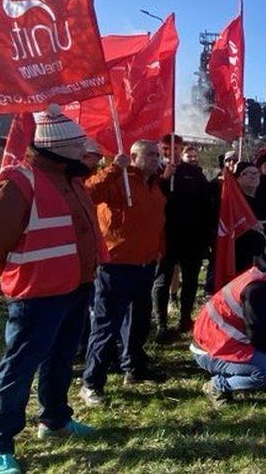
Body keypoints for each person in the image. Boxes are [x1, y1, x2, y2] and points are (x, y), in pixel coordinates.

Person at [0, 106, 103, 474]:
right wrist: (21, 273)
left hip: (76, 288)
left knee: (60, 359)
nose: (84, 148)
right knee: (18, 368)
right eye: (77, 143)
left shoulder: (72, 179)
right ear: (58, 146)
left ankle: (55, 419)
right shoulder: (21, 180)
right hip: (36, 295)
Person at [80, 139, 169, 407]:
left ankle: (134, 367)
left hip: (145, 263)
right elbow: (88, 194)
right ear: (132, 156)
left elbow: (155, 222)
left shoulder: (154, 185)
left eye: (157, 155)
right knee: (107, 324)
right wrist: (113, 170)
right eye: (150, 154)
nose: (156, 159)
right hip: (115, 264)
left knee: (139, 321)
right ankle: (92, 382)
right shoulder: (118, 180)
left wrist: (158, 249)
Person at [192, 236, 266, 406]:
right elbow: (258, 331)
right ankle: (217, 385)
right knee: (265, 370)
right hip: (211, 349)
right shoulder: (259, 287)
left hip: (231, 340)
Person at [152, 134, 211, 340]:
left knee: (191, 280)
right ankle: (161, 324)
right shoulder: (154, 172)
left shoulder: (194, 173)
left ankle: (185, 319)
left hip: (192, 237)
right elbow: (150, 199)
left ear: (181, 149)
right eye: (167, 148)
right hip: (165, 236)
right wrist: (165, 179)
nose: (172, 152)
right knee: (162, 280)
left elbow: (206, 203)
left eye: (176, 148)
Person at [233, 161, 266, 273]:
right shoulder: (234, 201)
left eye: (255, 173)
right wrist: (247, 225)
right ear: (238, 178)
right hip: (240, 254)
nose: (253, 175)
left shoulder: (264, 198)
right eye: (247, 173)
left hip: (262, 252)